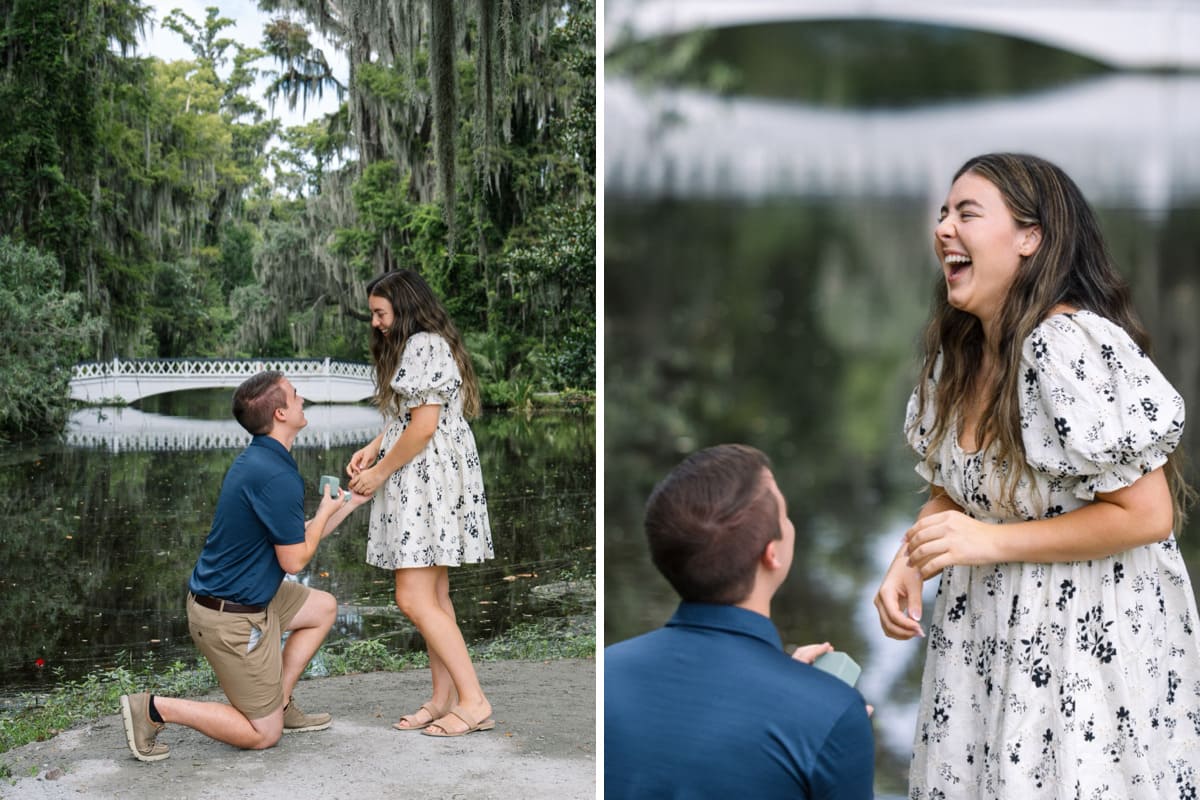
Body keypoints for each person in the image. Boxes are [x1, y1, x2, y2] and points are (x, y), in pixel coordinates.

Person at [874, 152, 1200, 797]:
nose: (944, 228)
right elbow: (959, 489)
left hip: (1086, 642)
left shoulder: (1067, 344)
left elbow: (1147, 514)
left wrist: (987, 543)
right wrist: (913, 556)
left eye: (967, 213)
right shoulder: (962, 351)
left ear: (1031, 238)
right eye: (943, 214)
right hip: (987, 637)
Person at [119, 371, 369, 762]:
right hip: (230, 619)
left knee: (322, 607)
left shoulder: (263, 460)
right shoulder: (274, 474)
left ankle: (279, 702)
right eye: (295, 395)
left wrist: (350, 501)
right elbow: (295, 559)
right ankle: (153, 709)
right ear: (282, 413)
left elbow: (296, 537)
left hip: (251, 599)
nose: (303, 399)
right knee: (263, 735)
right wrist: (324, 510)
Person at [605, 444, 875, 799]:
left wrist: (787, 686)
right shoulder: (833, 714)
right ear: (772, 554)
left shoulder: (606, 673)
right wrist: (823, 715)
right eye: (785, 514)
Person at [345, 269, 496, 737]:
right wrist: (375, 444)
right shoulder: (419, 346)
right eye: (373, 313)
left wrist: (377, 472)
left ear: (404, 308)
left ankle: (474, 701)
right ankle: (442, 697)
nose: (375, 322)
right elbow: (410, 415)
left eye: (380, 312)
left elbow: (425, 426)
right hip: (425, 472)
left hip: (426, 478)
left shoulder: (423, 344)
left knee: (412, 597)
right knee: (434, 597)